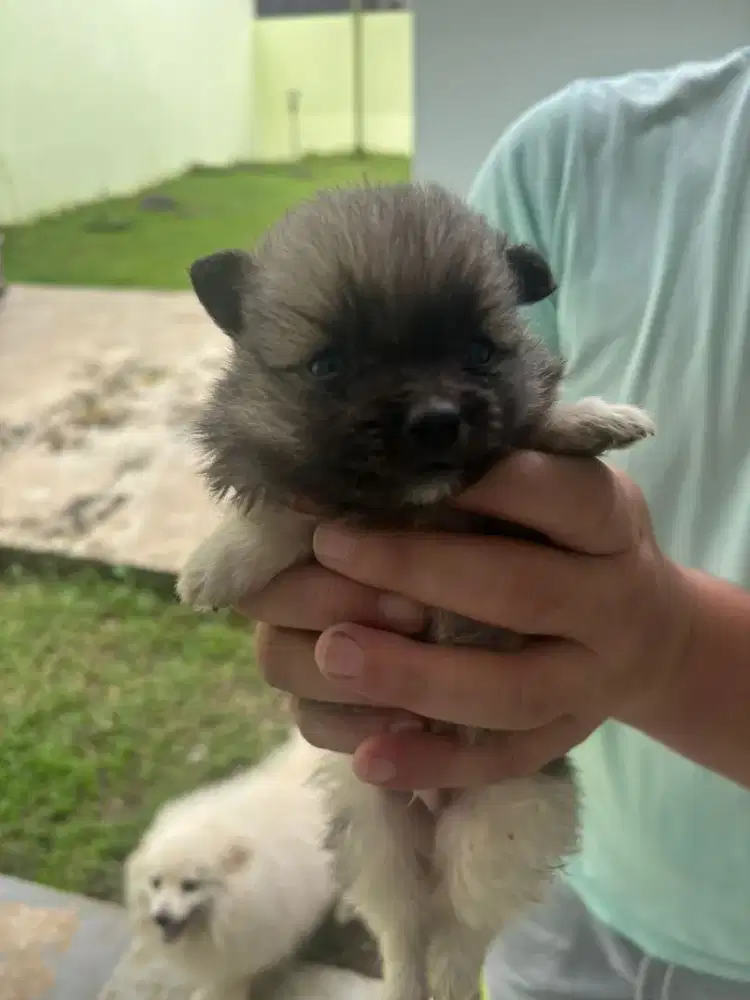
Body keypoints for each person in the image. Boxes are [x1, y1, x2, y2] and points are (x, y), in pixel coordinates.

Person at [237, 47, 750, 1000]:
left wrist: (671, 645)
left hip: (563, 822)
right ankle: (405, 966)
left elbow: (528, 421)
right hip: (576, 918)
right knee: (394, 857)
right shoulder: (564, 156)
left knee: (482, 866)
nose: (433, 409)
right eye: (336, 367)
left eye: (472, 353)